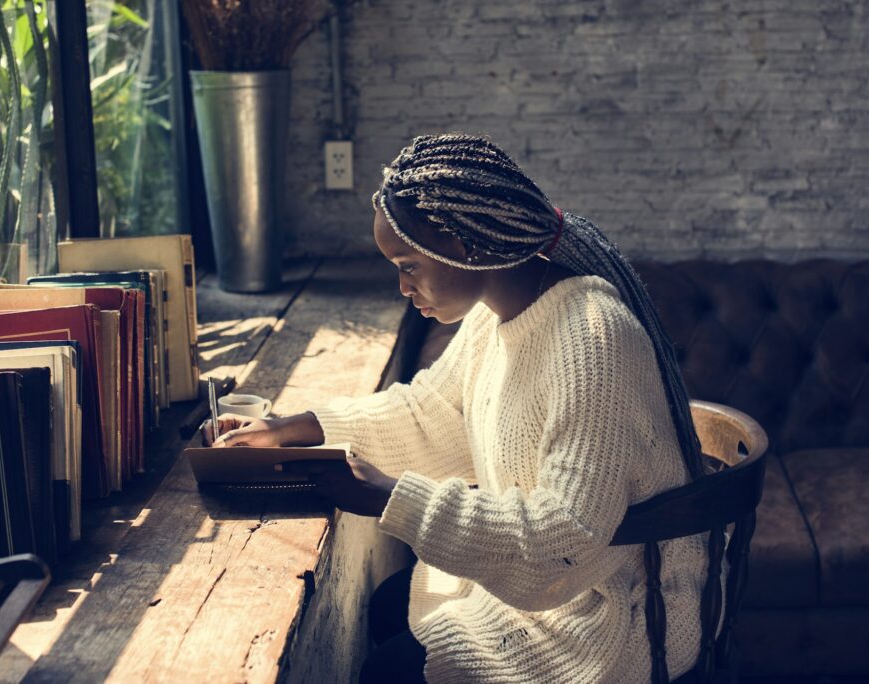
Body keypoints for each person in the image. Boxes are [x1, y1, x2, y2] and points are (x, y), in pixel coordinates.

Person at [204, 133, 712, 683]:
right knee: (387, 607)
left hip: (619, 615)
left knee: (384, 673)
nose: (402, 286)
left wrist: (390, 497)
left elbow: (566, 541)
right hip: (558, 591)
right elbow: (433, 416)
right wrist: (295, 428)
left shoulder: (592, 336)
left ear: (462, 246)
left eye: (408, 265)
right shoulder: (495, 316)